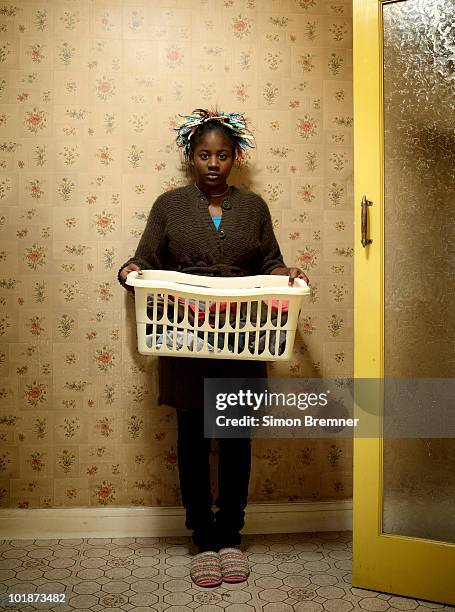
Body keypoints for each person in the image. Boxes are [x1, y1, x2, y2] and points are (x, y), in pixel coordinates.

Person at [118, 108, 309, 587]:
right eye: (204, 154)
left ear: (235, 158)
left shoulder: (255, 208)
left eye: (222, 155)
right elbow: (144, 260)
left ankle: (230, 535)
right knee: (193, 440)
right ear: (191, 157)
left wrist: (287, 273)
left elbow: (271, 262)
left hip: (242, 339)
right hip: (185, 338)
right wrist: (128, 272)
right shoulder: (168, 206)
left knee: (235, 441)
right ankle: (202, 537)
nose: (213, 163)